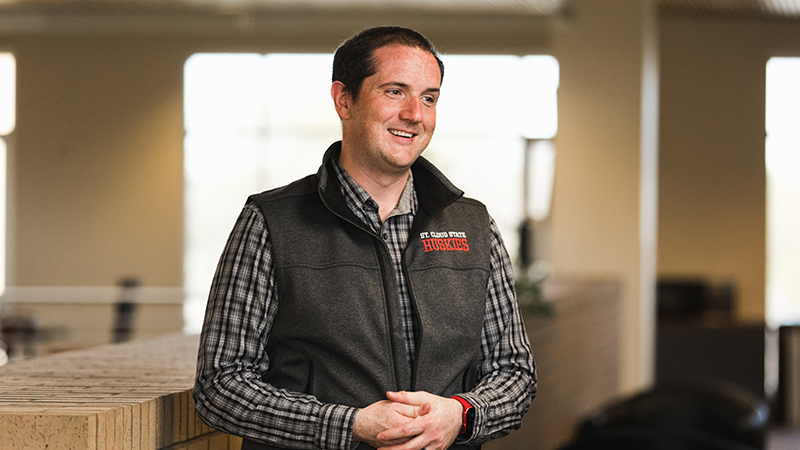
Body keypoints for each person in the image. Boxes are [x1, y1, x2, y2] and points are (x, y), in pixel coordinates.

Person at [194, 26, 536, 450]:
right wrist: (348, 425)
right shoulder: (271, 222)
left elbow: (514, 374)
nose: (415, 113)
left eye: (429, 98)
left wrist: (460, 416)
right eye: (395, 92)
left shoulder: (473, 226)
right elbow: (221, 386)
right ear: (344, 100)